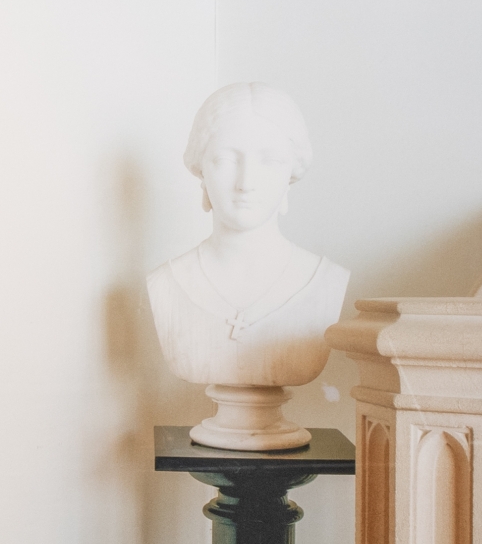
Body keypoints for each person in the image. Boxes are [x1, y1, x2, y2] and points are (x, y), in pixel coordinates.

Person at [147, 82, 348, 446]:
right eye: (225, 159)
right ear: (201, 171)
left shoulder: (325, 282)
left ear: (291, 172)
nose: (246, 182)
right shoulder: (167, 284)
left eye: (268, 160)